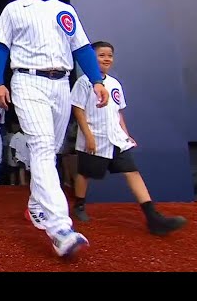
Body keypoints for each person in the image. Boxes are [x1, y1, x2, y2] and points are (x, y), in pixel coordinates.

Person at [0, 0, 110, 258]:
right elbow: (0, 47)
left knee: (50, 151)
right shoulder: (16, 8)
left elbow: (82, 48)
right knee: (42, 148)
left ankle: (35, 207)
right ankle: (60, 228)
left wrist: (97, 79)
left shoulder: (65, 10)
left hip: (61, 84)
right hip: (28, 80)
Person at [70, 41, 188, 235]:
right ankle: (79, 205)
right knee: (85, 173)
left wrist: (126, 135)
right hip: (95, 137)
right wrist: (88, 135)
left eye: (110, 55)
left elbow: (118, 112)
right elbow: (78, 109)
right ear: (91, 58)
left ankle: (153, 218)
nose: (107, 58)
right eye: (101, 55)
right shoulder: (83, 82)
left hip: (116, 139)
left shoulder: (115, 83)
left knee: (132, 172)